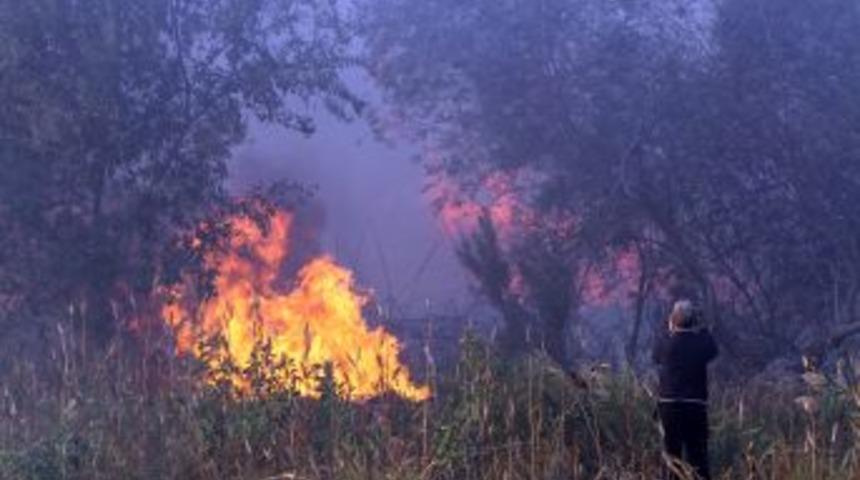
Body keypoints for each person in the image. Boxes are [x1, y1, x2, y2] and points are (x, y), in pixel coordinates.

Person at [653, 299, 719, 480]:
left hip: (668, 406)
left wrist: (669, 328)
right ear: (693, 321)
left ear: (673, 320)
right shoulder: (701, 344)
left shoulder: (666, 344)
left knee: (671, 456)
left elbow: (655, 355)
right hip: (694, 406)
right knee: (698, 455)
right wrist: (704, 327)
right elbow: (713, 349)